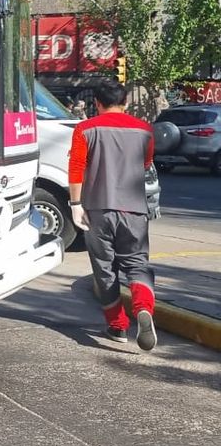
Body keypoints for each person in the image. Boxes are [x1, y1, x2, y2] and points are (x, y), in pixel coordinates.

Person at [68, 79, 157, 350]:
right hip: (134, 210)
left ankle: (118, 326)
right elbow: (146, 163)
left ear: (96, 103)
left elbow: (76, 167)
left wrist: (75, 204)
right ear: (126, 102)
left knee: (104, 269)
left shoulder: (85, 129)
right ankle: (143, 308)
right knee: (137, 264)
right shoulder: (144, 130)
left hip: (97, 210)